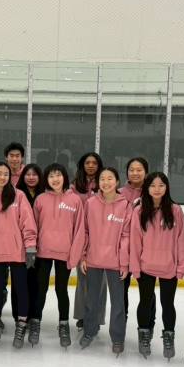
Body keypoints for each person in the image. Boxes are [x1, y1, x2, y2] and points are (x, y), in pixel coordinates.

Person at [130, 172, 184, 360]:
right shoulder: (139, 211)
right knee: (145, 302)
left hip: (168, 267)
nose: (157, 189)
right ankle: (144, 335)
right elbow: (135, 242)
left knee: (167, 304)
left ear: (167, 188)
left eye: (161, 185)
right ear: (147, 188)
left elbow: (182, 239)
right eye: (153, 185)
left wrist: (182, 267)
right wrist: (135, 267)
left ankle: (168, 337)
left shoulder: (175, 210)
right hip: (145, 266)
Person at [0, 161, 38, 348]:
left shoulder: (18, 196)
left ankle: (21, 325)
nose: (2, 177)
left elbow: (27, 222)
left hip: (17, 251)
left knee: (21, 290)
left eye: (6, 174)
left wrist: (30, 247)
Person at [33, 163, 86, 347]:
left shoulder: (75, 200)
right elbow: (34, 226)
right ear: (46, 179)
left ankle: (63, 324)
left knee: (61, 289)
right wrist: (33, 250)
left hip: (65, 253)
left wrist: (75, 255)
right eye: (51, 176)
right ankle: (35, 321)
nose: (55, 179)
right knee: (41, 288)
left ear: (64, 177)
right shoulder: (40, 199)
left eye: (58, 175)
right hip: (43, 252)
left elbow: (79, 230)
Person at [80, 167, 131, 355]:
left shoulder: (125, 205)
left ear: (117, 182)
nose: (106, 182)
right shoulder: (90, 203)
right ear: (98, 182)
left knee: (118, 303)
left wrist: (124, 262)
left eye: (110, 178)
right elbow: (85, 231)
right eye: (102, 179)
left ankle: (117, 337)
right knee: (91, 300)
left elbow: (126, 235)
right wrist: (83, 255)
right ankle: (89, 331)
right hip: (93, 259)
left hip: (115, 262)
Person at [72, 152, 105, 332]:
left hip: (102, 238)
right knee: (83, 279)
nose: (91, 165)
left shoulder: (106, 184)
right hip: (81, 236)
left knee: (100, 282)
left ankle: (97, 317)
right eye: (87, 163)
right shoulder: (74, 186)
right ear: (82, 165)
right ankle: (82, 316)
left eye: (94, 163)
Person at [15, 163, 45, 340]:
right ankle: (20, 317)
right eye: (28, 174)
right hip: (20, 248)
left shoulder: (44, 195)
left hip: (40, 247)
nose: (31, 177)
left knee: (36, 284)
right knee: (20, 284)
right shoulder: (16, 195)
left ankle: (34, 316)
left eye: (35, 174)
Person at [119, 156, 148, 318]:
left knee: (146, 291)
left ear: (146, 172)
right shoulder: (119, 193)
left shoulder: (152, 192)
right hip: (122, 249)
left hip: (144, 249)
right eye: (131, 170)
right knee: (121, 289)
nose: (135, 173)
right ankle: (121, 320)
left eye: (139, 170)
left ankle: (147, 324)